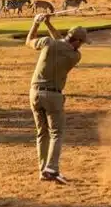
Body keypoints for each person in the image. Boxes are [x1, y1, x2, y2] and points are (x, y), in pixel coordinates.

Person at [25, 13, 88, 184]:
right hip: (53, 96)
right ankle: (51, 169)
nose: (81, 46)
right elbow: (62, 43)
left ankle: (43, 170)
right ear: (76, 41)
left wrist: (37, 23)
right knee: (56, 133)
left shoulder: (47, 43)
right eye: (81, 43)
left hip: (34, 93)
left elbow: (29, 40)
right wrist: (48, 24)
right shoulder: (74, 56)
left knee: (42, 133)